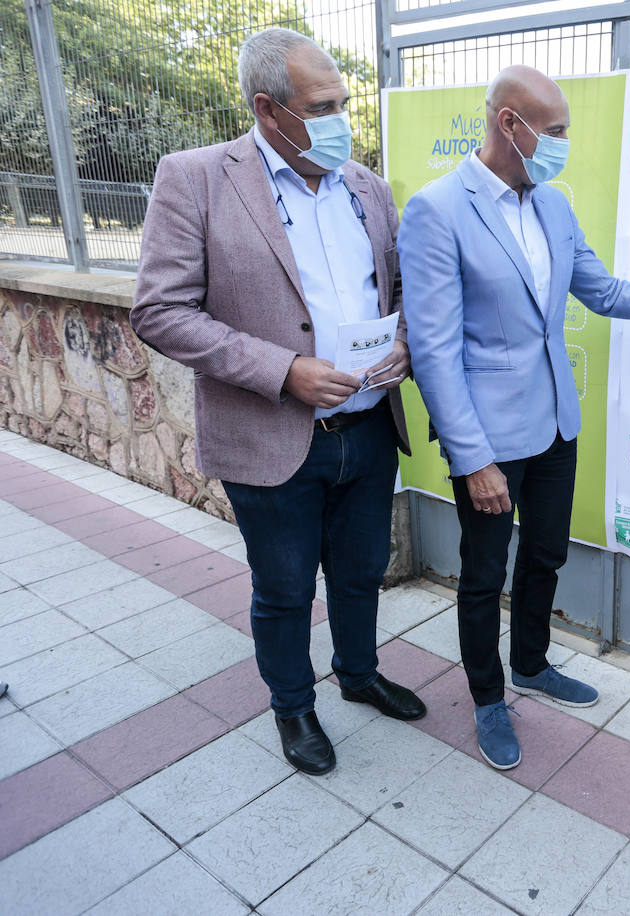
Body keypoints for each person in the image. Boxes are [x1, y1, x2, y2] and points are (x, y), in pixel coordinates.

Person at [398, 65, 630, 770]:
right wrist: (472, 460)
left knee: (547, 554)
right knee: (482, 573)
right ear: (509, 124)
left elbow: (602, 289)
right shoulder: (438, 211)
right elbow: (434, 352)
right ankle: (489, 698)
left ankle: (530, 663)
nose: (562, 144)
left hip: (557, 422)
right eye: (554, 132)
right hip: (490, 439)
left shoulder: (553, 205)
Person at [131, 28, 426, 777]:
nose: (341, 119)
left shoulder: (365, 185)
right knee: (286, 588)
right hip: (271, 434)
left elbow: (394, 295)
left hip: (366, 427)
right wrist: (283, 370)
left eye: (344, 103)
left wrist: (406, 349)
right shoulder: (195, 178)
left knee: (361, 573)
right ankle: (293, 706)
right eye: (322, 106)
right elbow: (161, 311)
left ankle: (357, 676)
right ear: (268, 109)